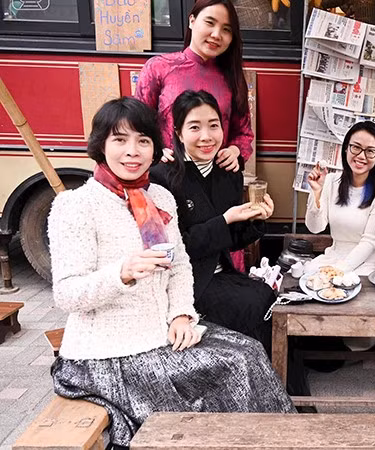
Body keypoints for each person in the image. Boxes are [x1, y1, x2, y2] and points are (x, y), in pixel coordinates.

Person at [48, 97, 294, 447]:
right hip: (106, 353)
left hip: (161, 334)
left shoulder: (160, 198)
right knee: (227, 374)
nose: (132, 151)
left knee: (250, 353)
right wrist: (121, 274)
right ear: (100, 145)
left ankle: (281, 439)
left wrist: (180, 315)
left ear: (155, 147)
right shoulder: (75, 205)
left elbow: (178, 266)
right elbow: (67, 293)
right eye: (120, 140)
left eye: (143, 141)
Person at [150, 90, 276, 353]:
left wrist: (256, 220)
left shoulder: (228, 172)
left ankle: (276, 368)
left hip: (221, 273)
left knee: (268, 296)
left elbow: (231, 240)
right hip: (186, 282)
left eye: (213, 125)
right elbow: (175, 248)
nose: (206, 136)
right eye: (195, 127)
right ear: (178, 132)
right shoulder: (163, 176)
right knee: (255, 302)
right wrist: (225, 220)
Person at [135, 0, 252, 172]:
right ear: (192, 21)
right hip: (165, 174)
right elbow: (137, 123)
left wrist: (234, 151)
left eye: (226, 29)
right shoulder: (159, 68)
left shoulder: (232, 77)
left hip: (214, 176)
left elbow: (243, 133)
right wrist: (155, 151)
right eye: (210, 23)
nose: (216, 34)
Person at [304, 121, 375, 276]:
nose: (361, 156)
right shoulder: (331, 181)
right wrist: (316, 192)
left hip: (367, 263)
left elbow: (369, 243)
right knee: (308, 273)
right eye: (356, 147)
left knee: (344, 282)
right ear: (346, 148)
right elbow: (315, 228)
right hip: (334, 256)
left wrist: (337, 271)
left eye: (370, 151)